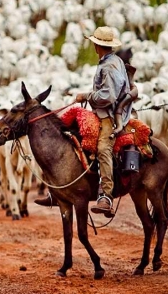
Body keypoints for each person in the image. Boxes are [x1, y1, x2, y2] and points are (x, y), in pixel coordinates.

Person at [34, 27, 137, 217]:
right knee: (69, 137)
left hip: (109, 116)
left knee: (103, 149)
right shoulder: (111, 61)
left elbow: (109, 95)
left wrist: (86, 95)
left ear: (98, 45)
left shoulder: (109, 66)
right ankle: (59, 189)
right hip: (101, 112)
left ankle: (106, 195)